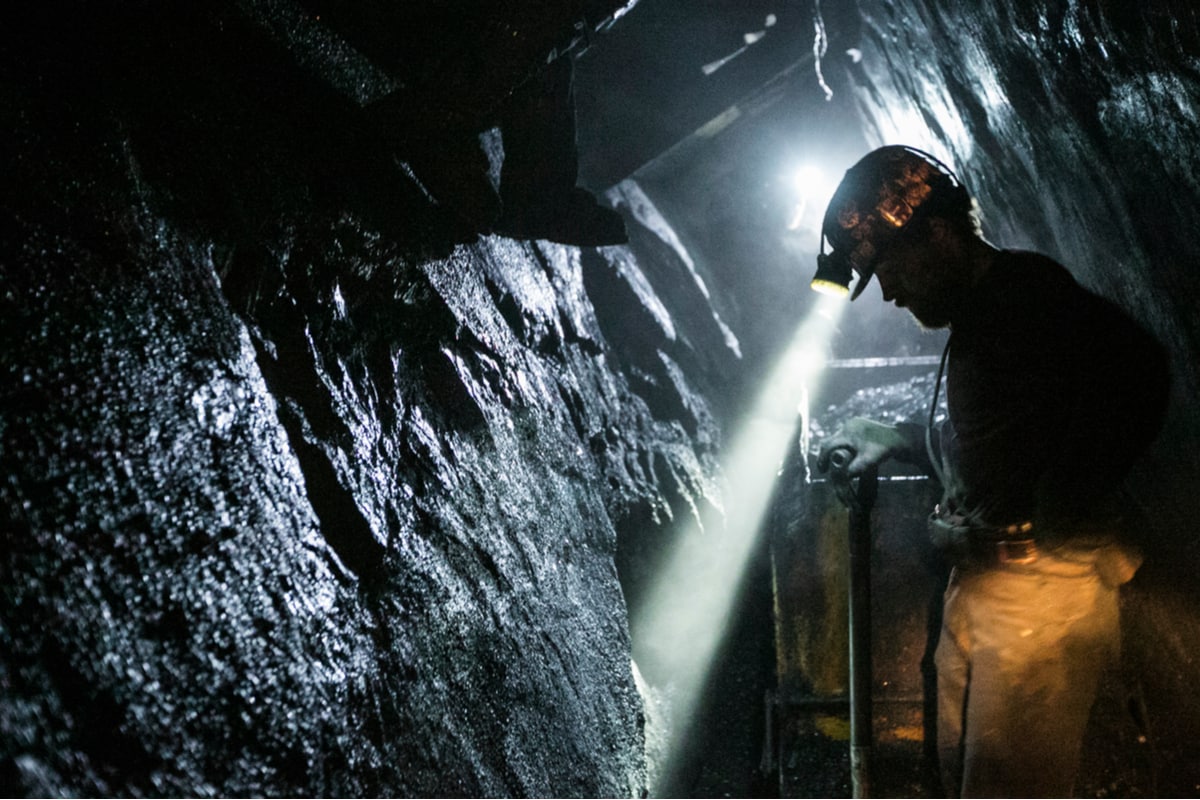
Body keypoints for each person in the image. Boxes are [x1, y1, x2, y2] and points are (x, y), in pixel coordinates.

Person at [811, 145, 1169, 797]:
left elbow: (1142, 370)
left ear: (939, 234)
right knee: (972, 781)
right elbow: (998, 437)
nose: (888, 293)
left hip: (1037, 598)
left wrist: (1063, 508)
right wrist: (893, 437)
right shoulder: (983, 317)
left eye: (890, 269)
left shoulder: (1028, 295)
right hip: (990, 585)